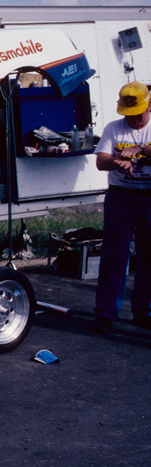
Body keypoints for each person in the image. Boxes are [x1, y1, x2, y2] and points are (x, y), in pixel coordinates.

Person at [92, 81, 151, 331]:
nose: (135, 120)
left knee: (149, 257)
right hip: (120, 198)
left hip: (149, 199)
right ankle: (106, 312)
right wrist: (117, 161)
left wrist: (142, 150)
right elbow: (101, 161)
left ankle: (144, 312)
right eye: (130, 115)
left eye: (139, 114)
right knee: (114, 256)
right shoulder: (114, 128)